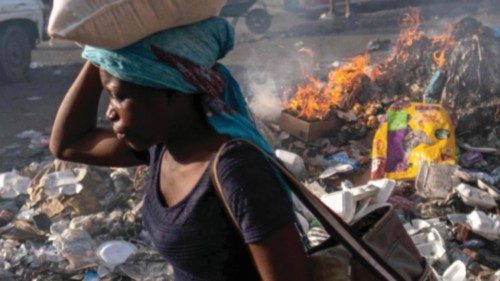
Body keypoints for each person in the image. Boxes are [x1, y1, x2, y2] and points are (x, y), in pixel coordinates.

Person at [49, 17, 310, 281]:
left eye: (119, 96)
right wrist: (100, 53)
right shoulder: (161, 149)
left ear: (171, 92)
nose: (109, 112)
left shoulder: (237, 171)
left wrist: (108, 52)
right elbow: (68, 144)